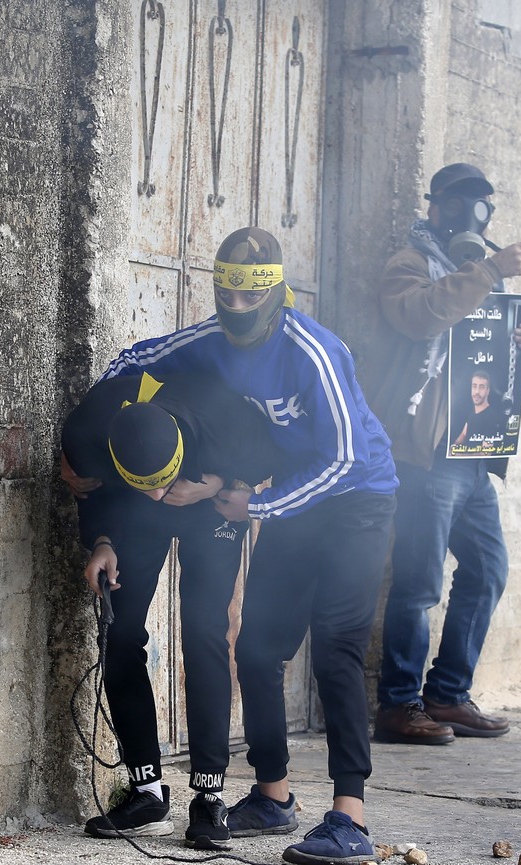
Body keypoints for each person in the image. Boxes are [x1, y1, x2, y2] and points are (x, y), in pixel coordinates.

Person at [98, 227, 398, 865]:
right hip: (289, 501)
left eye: (246, 297)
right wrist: (101, 448)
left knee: (337, 649)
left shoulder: (314, 350)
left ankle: (350, 818)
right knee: (259, 651)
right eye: (224, 293)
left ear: (275, 294)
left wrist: (253, 503)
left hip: (356, 504)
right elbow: (132, 361)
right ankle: (273, 794)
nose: (233, 307)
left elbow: (346, 460)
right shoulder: (210, 337)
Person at [354, 162, 521, 745]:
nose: (471, 215)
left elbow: (483, 353)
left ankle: (448, 694)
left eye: (482, 205)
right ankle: (398, 705)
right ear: (433, 208)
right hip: (424, 453)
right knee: (418, 583)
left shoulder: (483, 275)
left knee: (487, 571)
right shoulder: (410, 266)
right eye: (459, 203)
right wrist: (487, 268)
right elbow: (420, 315)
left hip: (473, 451)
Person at [61, 372, 281, 849]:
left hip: (210, 504)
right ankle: (146, 794)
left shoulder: (228, 419)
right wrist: (101, 542)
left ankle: (208, 797)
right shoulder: (88, 430)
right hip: (130, 512)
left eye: (162, 486)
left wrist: (217, 481)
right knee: (119, 633)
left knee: (203, 632)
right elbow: (89, 492)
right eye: (150, 487)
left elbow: (269, 457)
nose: (161, 497)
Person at [453, 371, 504, 446]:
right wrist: (451, 449)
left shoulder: (492, 418)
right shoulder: (472, 413)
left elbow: (485, 453)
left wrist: (456, 454)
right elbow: (462, 436)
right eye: (474, 386)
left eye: (481, 387)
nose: (477, 391)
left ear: (488, 391)